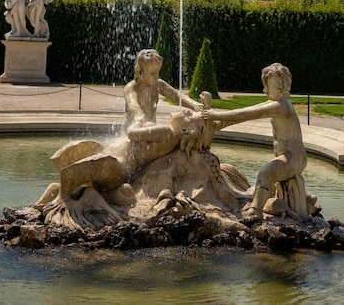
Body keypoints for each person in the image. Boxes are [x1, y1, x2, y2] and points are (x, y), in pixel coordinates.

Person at [202, 62, 307, 221]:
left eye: (268, 85)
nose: (265, 89)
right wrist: (220, 124)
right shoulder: (275, 103)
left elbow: (247, 114)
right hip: (288, 156)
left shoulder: (281, 106)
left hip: (294, 158)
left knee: (267, 172)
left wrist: (215, 115)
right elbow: (245, 114)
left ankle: (256, 211)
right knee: (269, 172)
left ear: (279, 85)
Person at [123, 48, 203, 130]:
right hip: (132, 130)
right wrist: (139, 116)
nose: (156, 76)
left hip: (149, 129)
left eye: (158, 72)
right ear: (140, 71)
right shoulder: (131, 88)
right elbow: (132, 104)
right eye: (152, 73)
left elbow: (176, 95)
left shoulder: (157, 84)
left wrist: (194, 104)